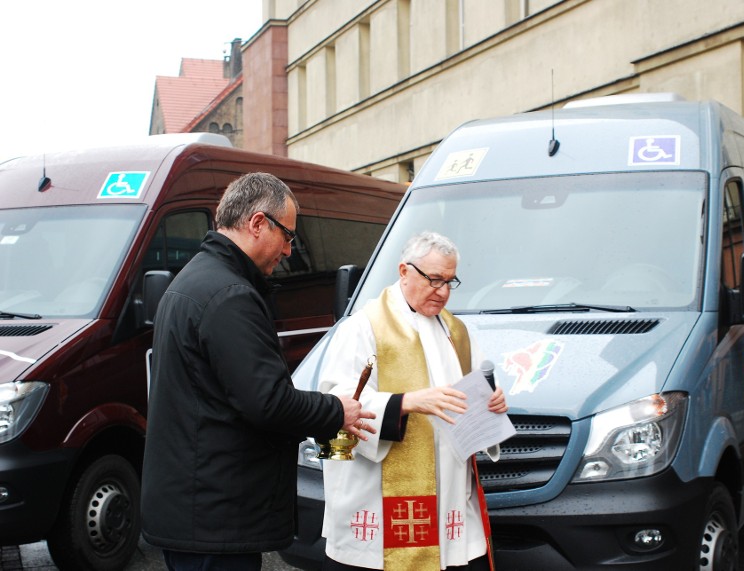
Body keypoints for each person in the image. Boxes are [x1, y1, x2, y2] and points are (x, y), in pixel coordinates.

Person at [141, 172, 376, 571]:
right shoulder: (229, 295)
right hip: (214, 518)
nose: (288, 250)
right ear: (256, 223)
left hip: (198, 507)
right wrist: (336, 411)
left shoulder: (197, 279)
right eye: (287, 236)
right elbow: (267, 402)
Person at [318, 231, 509, 570]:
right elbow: (336, 403)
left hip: (449, 491)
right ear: (404, 271)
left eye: (451, 281)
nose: (444, 292)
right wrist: (404, 402)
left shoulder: (456, 331)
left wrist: (491, 404)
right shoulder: (363, 327)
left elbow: (473, 392)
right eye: (435, 280)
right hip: (380, 498)